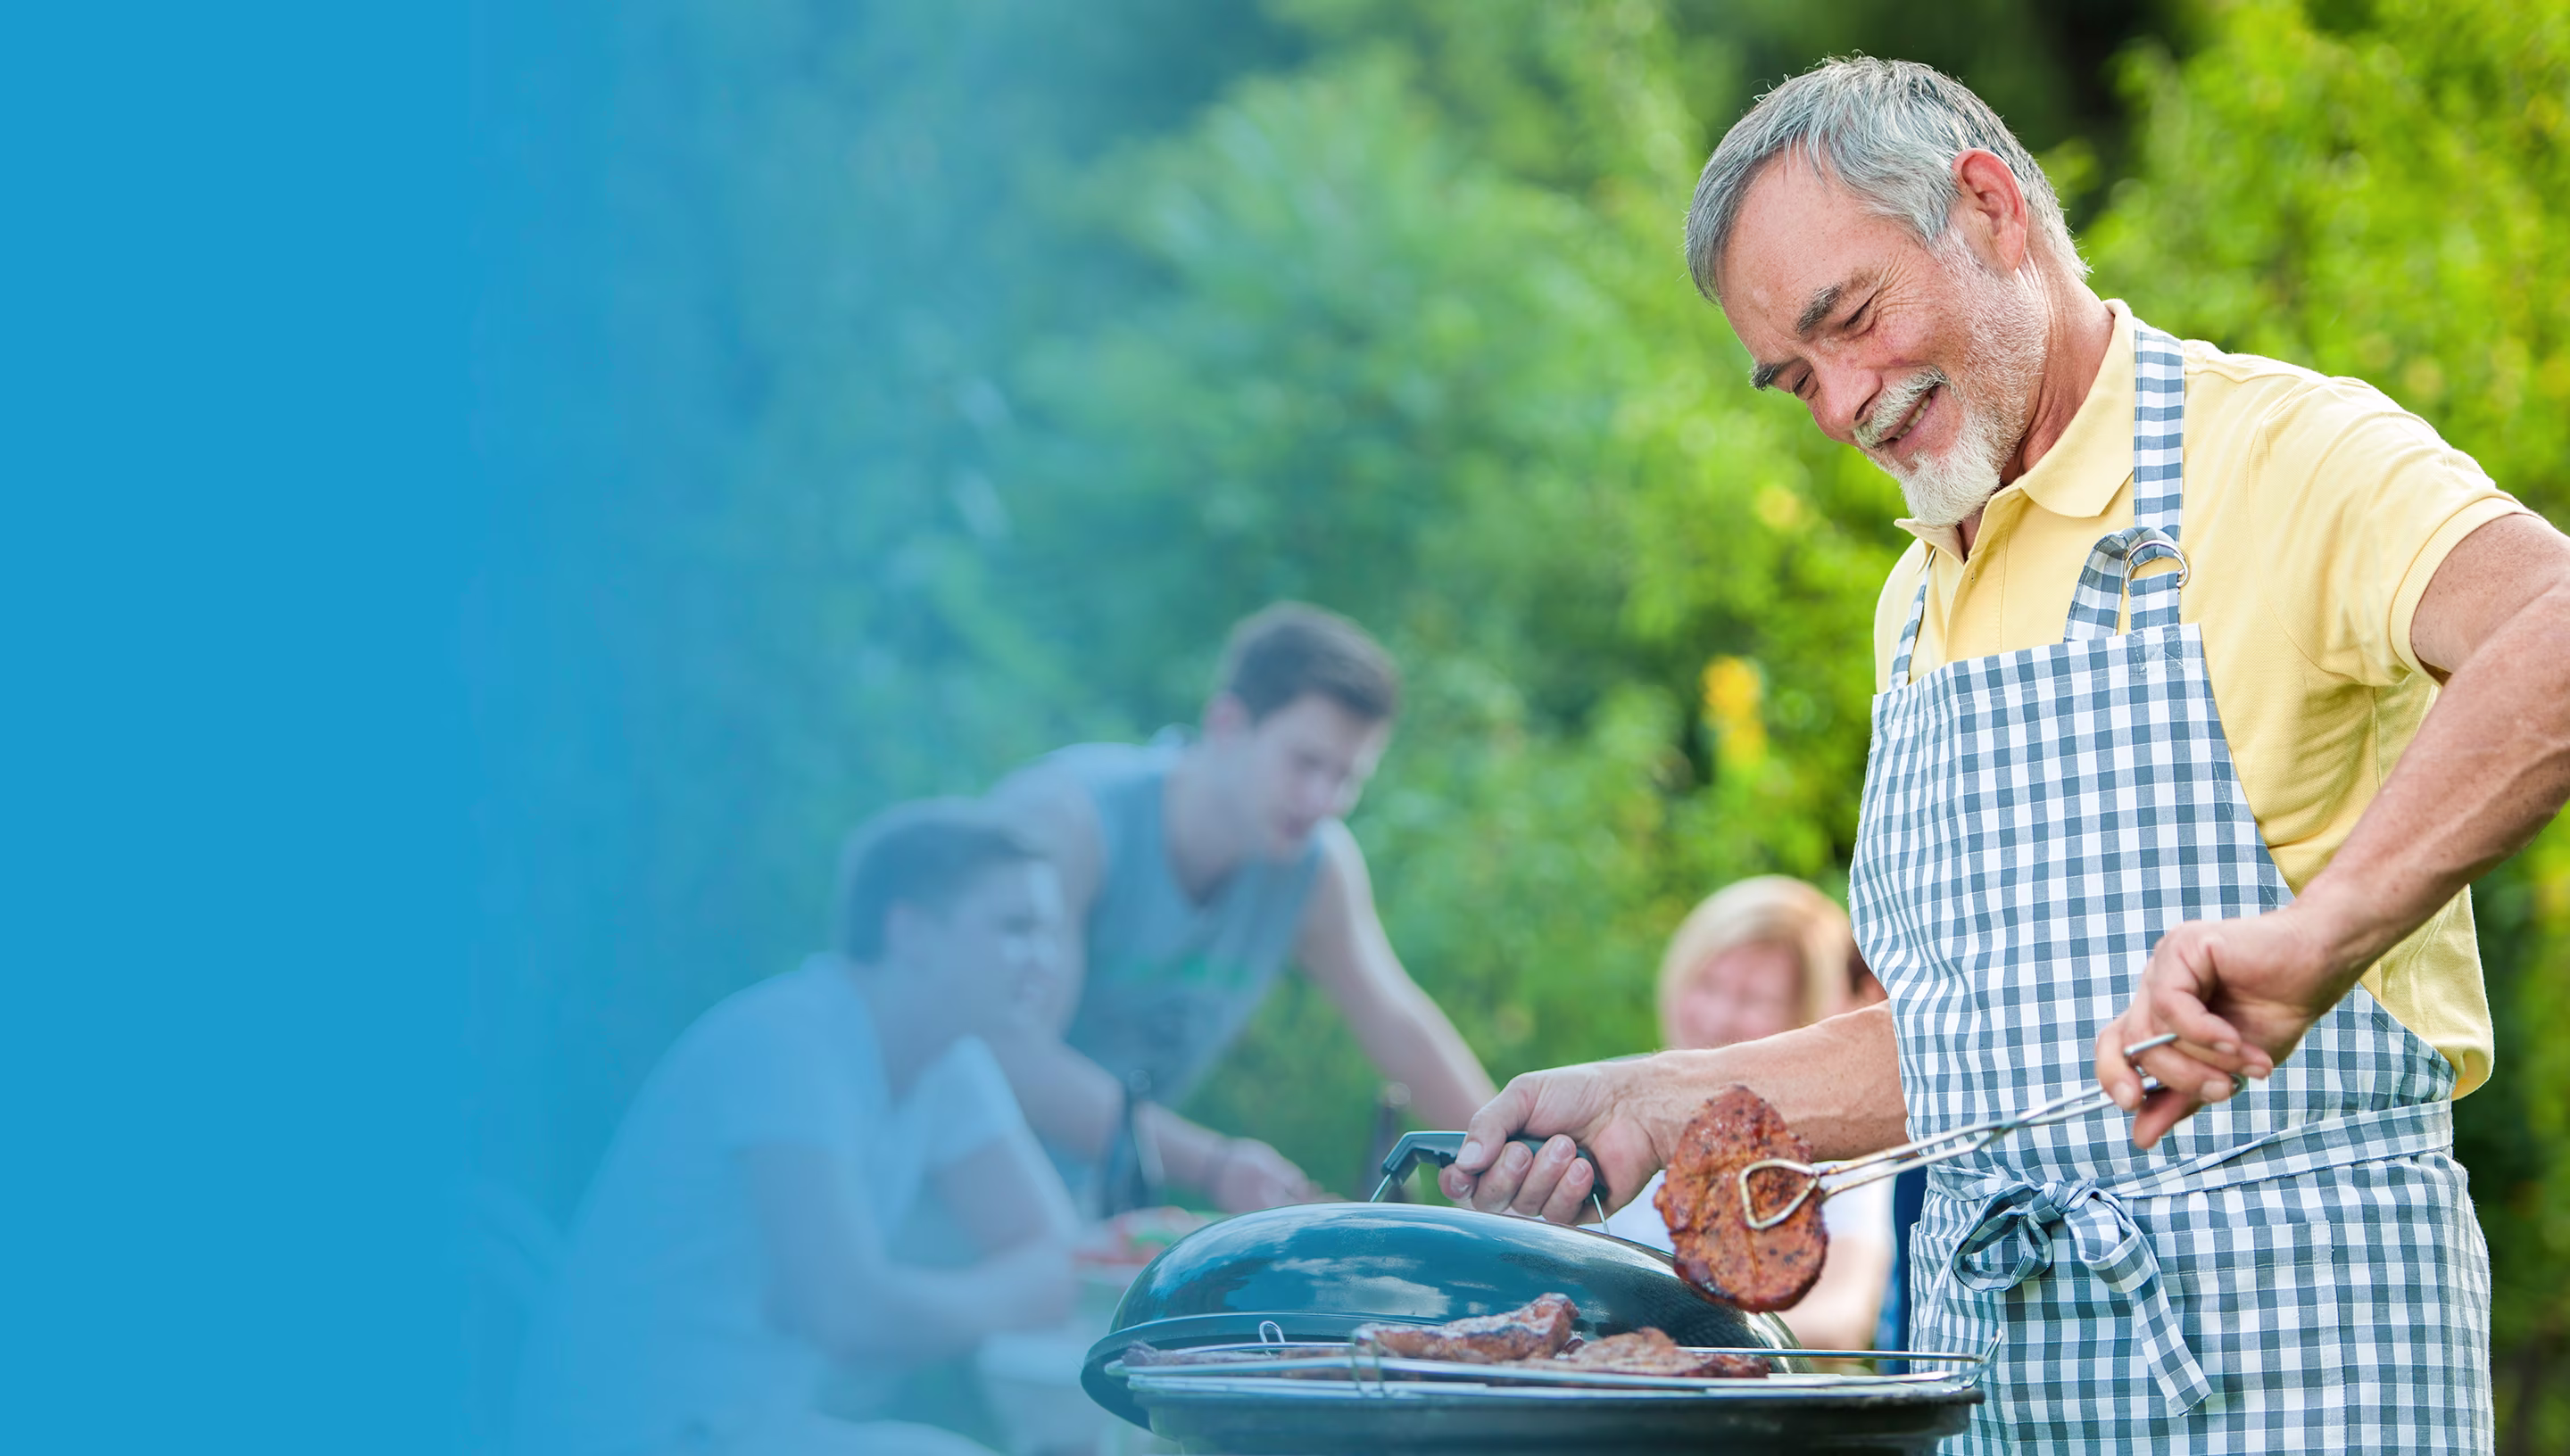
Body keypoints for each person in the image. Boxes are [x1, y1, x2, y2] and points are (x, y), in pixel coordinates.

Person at [1438, 58, 2570, 1452]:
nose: (1843, 403)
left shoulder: (2280, 453)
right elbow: (1983, 1046)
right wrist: (1655, 1102)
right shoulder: (1916, 597)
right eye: (1794, 378)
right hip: (2003, 1382)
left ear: (1988, 207)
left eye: (1849, 322)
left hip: (2303, 1354)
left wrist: (2323, 935)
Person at [512, 803, 1082, 1456]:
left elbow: (1058, 1255)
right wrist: (1014, 1292)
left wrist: (907, 1299)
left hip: (749, 1430)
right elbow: (850, 1318)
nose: (1046, 961)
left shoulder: (951, 1061)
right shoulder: (790, 1044)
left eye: (1051, 934)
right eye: (1016, 929)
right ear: (911, 933)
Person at [988, 603, 1496, 1212]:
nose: (1322, 800)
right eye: (1306, 763)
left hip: (1078, 1210)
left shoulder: (1316, 865)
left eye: (1346, 777)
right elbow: (1009, 1054)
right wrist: (1213, 1164)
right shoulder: (1068, 821)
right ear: (1227, 723)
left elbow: (1404, 1031)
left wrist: (1519, 1173)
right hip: (934, 1192)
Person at [1600, 877, 1894, 1352]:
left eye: (1754, 999)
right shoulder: (1620, 1094)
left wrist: (1683, 1344)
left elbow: (1846, 1314)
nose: (1718, 1018)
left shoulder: (1831, 1143)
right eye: (1708, 984)